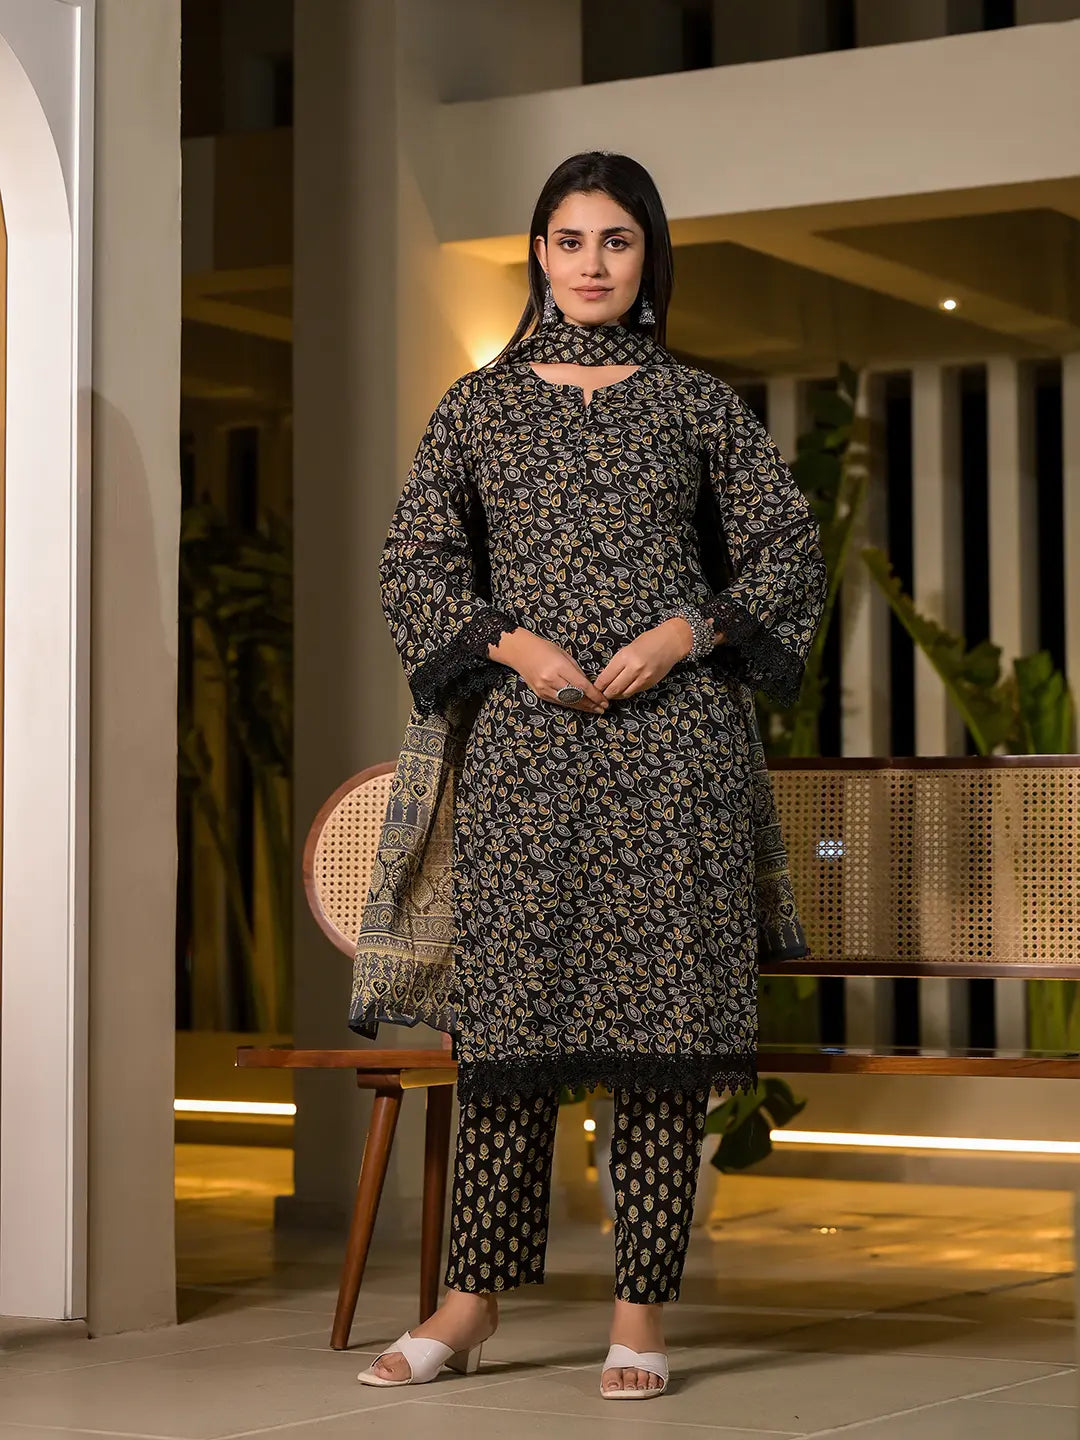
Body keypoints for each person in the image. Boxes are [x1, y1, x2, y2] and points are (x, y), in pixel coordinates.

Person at [355, 151, 826, 1398]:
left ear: (649, 254)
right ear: (539, 254)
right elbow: (414, 563)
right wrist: (512, 645)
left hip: (675, 755)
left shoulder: (696, 403)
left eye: (616, 240)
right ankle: (468, 1306)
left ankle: (638, 1317)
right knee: (507, 1027)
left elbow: (788, 548)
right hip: (526, 751)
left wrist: (688, 631)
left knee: (664, 1037)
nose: (591, 263)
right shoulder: (476, 407)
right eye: (569, 240)